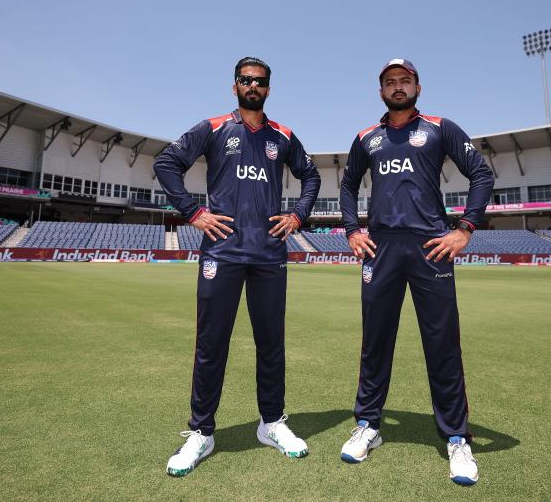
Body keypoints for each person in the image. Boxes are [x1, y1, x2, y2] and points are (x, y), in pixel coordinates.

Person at [154, 56, 321, 476]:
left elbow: (312, 176)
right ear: (234, 86)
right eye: (246, 80)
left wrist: (298, 215)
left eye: (260, 81)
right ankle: (202, 432)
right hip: (222, 253)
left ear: (268, 88)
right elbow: (166, 163)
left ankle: (272, 423)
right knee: (212, 343)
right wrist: (193, 212)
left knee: (271, 343)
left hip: (268, 254)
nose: (253, 86)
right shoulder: (212, 128)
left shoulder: (282, 136)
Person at [337, 58, 494, 485]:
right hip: (381, 248)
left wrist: (465, 229)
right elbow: (348, 184)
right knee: (375, 342)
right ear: (380, 92)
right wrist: (353, 230)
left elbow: (481, 172)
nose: (398, 87)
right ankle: (368, 426)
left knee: (442, 344)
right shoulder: (366, 138)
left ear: (418, 86)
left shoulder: (441, 128)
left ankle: (457, 438)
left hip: (431, 248)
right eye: (390, 82)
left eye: (405, 80)